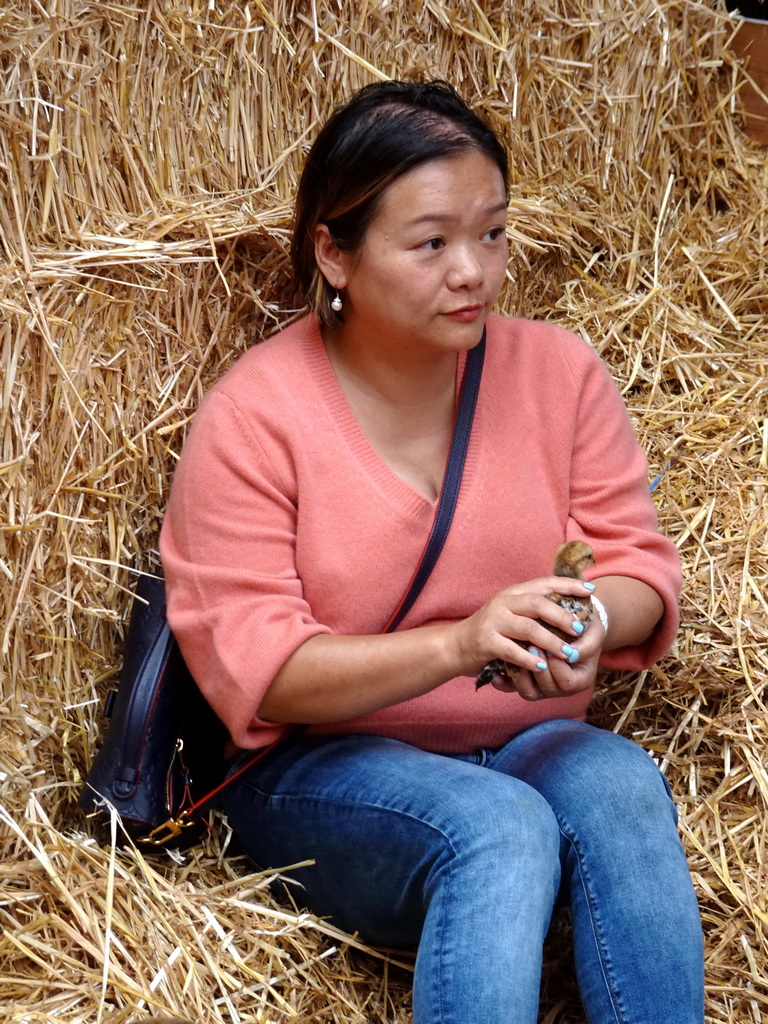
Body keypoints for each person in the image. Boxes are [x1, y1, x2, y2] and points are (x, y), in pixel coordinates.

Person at [160, 80, 705, 1024]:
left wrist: (591, 620)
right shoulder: (255, 418)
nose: (474, 272)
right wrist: (462, 644)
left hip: (523, 743)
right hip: (321, 771)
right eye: (431, 243)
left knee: (617, 780)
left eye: (492, 233)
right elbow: (267, 673)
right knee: (498, 828)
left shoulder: (558, 375)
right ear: (334, 252)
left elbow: (640, 567)